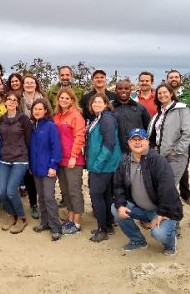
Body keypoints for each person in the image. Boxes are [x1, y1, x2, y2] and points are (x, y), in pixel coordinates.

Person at [112, 128, 182, 256]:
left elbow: (168, 188)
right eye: (134, 139)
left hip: (162, 210)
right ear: (128, 142)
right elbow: (118, 186)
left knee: (159, 234)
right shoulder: (125, 162)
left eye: (141, 139)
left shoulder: (157, 161)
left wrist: (163, 212)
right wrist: (121, 205)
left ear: (147, 141)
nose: (137, 142)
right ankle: (138, 240)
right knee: (115, 208)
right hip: (140, 208)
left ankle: (170, 244)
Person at [85, 94, 122, 242]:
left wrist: (97, 164)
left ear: (106, 104)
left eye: (100, 102)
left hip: (103, 165)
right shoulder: (98, 118)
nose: (96, 104)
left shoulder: (106, 118)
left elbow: (109, 144)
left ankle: (102, 229)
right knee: (106, 196)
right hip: (104, 164)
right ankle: (108, 225)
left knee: (96, 196)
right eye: (94, 102)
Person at [0, 91, 32, 234]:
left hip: (20, 159)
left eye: (14, 100)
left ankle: (22, 218)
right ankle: (13, 216)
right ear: (5, 102)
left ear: (18, 103)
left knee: (11, 191)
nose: (11, 102)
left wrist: (30, 161)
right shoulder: (1, 119)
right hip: (4, 159)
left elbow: (29, 140)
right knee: (1, 192)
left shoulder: (24, 119)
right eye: (8, 99)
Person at [53, 88, 86, 235]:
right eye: (62, 98)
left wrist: (73, 156)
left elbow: (80, 137)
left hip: (73, 159)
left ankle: (77, 222)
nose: (64, 100)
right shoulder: (57, 116)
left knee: (74, 191)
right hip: (60, 159)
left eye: (67, 98)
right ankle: (70, 217)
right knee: (65, 191)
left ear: (72, 100)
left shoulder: (76, 115)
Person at [148, 83, 190, 185]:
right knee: (160, 185)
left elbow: (189, 133)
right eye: (159, 93)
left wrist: (176, 150)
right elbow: (155, 134)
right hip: (160, 155)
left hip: (175, 157)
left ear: (171, 93)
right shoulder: (159, 113)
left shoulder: (181, 109)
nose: (162, 95)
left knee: (169, 186)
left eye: (165, 92)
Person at [167, 69, 190, 207]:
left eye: (176, 77)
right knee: (166, 165)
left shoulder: (189, 96)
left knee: (183, 166)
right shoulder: (163, 94)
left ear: (180, 78)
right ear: (167, 79)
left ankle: (185, 195)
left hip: (185, 139)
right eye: (171, 77)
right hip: (168, 139)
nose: (173, 79)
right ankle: (168, 193)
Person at [30, 98, 63, 241]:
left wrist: (53, 166)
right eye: (35, 109)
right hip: (36, 169)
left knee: (49, 197)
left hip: (48, 169)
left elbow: (56, 147)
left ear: (45, 111)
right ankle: (44, 223)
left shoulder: (50, 126)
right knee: (41, 197)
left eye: (40, 109)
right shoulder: (33, 127)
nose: (37, 111)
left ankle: (56, 227)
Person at [19, 74, 46, 218]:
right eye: (26, 83)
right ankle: (32, 203)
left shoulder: (42, 98)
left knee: (37, 171)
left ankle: (38, 203)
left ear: (36, 84)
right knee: (27, 173)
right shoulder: (19, 99)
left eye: (32, 82)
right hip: (23, 138)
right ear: (23, 85)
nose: (29, 85)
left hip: (39, 136)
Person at [112, 79, 151, 153]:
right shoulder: (110, 108)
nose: (123, 91)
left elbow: (148, 128)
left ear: (130, 90)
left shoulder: (140, 107)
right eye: (120, 89)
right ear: (115, 90)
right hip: (116, 151)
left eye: (126, 88)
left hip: (137, 150)